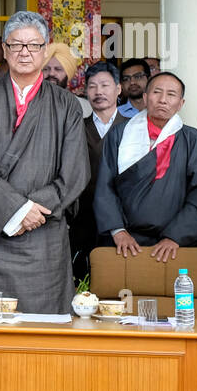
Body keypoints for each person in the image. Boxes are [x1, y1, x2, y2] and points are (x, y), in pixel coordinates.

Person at [0, 12, 88, 314]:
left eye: (33, 45)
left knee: (42, 336)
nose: (24, 52)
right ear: (4, 50)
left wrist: (31, 211)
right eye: (16, 45)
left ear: (45, 50)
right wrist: (15, 211)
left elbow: (75, 173)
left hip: (42, 234)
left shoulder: (66, 105)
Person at [94, 71, 197, 263]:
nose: (163, 100)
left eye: (171, 95)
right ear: (145, 97)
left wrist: (175, 236)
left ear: (181, 103)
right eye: (156, 92)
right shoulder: (120, 133)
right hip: (124, 241)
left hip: (174, 244)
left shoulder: (192, 139)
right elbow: (104, 185)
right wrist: (118, 231)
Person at [71, 61, 129, 279]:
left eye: (104, 85)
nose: (98, 92)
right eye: (92, 86)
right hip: (82, 216)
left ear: (118, 88)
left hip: (121, 219)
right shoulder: (76, 127)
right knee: (81, 279)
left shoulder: (133, 128)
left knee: (116, 280)